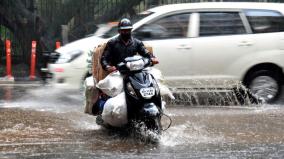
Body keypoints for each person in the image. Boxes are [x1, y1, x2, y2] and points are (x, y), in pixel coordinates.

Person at [95, 18, 158, 125]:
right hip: (118, 73)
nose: (126, 32)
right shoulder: (112, 43)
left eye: (128, 30)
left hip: (134, 72)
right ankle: (104, 114)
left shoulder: (137, 43)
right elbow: (104, 59)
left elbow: (146, 53)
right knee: (112, 90)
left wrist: (153, 58)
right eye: (123, 30)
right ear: (119, 31)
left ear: (131, 30)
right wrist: (108, 67)